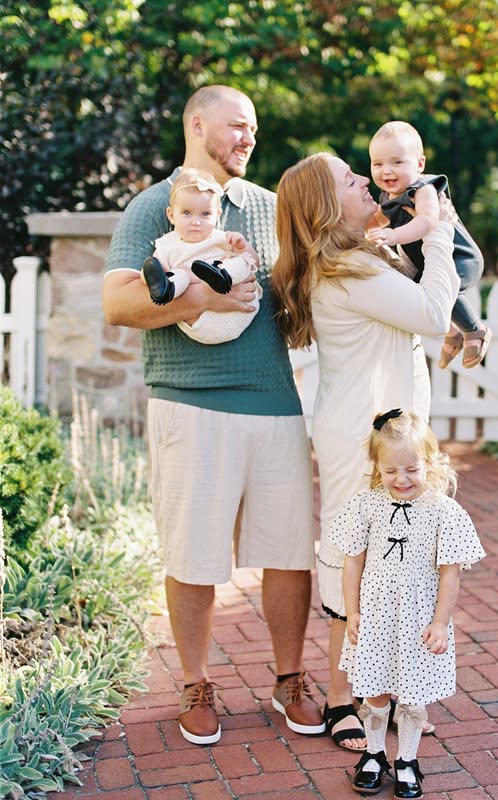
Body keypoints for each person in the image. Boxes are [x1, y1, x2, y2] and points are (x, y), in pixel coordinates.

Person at [102, 85, 324, 745]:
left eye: (254, 128)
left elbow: (301, 298)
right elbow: (118, 304)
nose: (249, 138)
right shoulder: (155, 207)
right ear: (197, 123)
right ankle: (196, 682)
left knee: (290, 551)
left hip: (275, 405)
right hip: (189, 404)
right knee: (194, 554)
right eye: (238, 126)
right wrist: (198, 298)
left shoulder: (268, 206)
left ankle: (290, 678)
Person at [272, 152, 460, 752]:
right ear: (329, 208)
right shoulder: (347, 269)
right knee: (358, 557)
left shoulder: (360, 257)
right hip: (363, 436)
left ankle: (387, 689)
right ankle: (338, 696)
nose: (364, 182)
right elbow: (433, 314)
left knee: (396, 560)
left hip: (386, 427)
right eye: (351, 181)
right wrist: (442, 232)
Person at [329, 409, 486, 798]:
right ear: (377, 467)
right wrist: (353, 612)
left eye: (411, 469)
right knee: (375, 691)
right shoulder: (366, 505)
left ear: (429, 463)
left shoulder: (444, 512)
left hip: (419, 619)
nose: (401, 479)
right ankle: (375, 754)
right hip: (376, 618)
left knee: (413, 695)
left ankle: (407, 759)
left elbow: (451, 573)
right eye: (391, 470)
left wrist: (440, 622)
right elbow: (353, 563)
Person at [367, 120, 492, 370]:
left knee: (447, 289)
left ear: (420, 164)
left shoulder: (423, 189)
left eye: (397, 162)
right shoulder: (388, 197)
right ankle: (452, 330)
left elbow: (427, 220)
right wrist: (356, 232)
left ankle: (475, 331)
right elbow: (375, 221)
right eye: (378, 164)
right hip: (430, 263)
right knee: (420, 292)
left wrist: (393, 237)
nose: (387, 171)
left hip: (460, 258)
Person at [140, 166, 263, 345]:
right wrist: (149, 276)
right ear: (171, 215)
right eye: (187, 213)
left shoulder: (223, 239)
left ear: (217, 215)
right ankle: (167, 289)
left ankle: (222, 276)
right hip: (198, 321)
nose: (196, 222)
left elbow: (254, 264)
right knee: (178, 273)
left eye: (205, 214)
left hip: (237, 312)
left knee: (241, 261)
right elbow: (154, 271)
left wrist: (243, 247)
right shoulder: (167, 245)